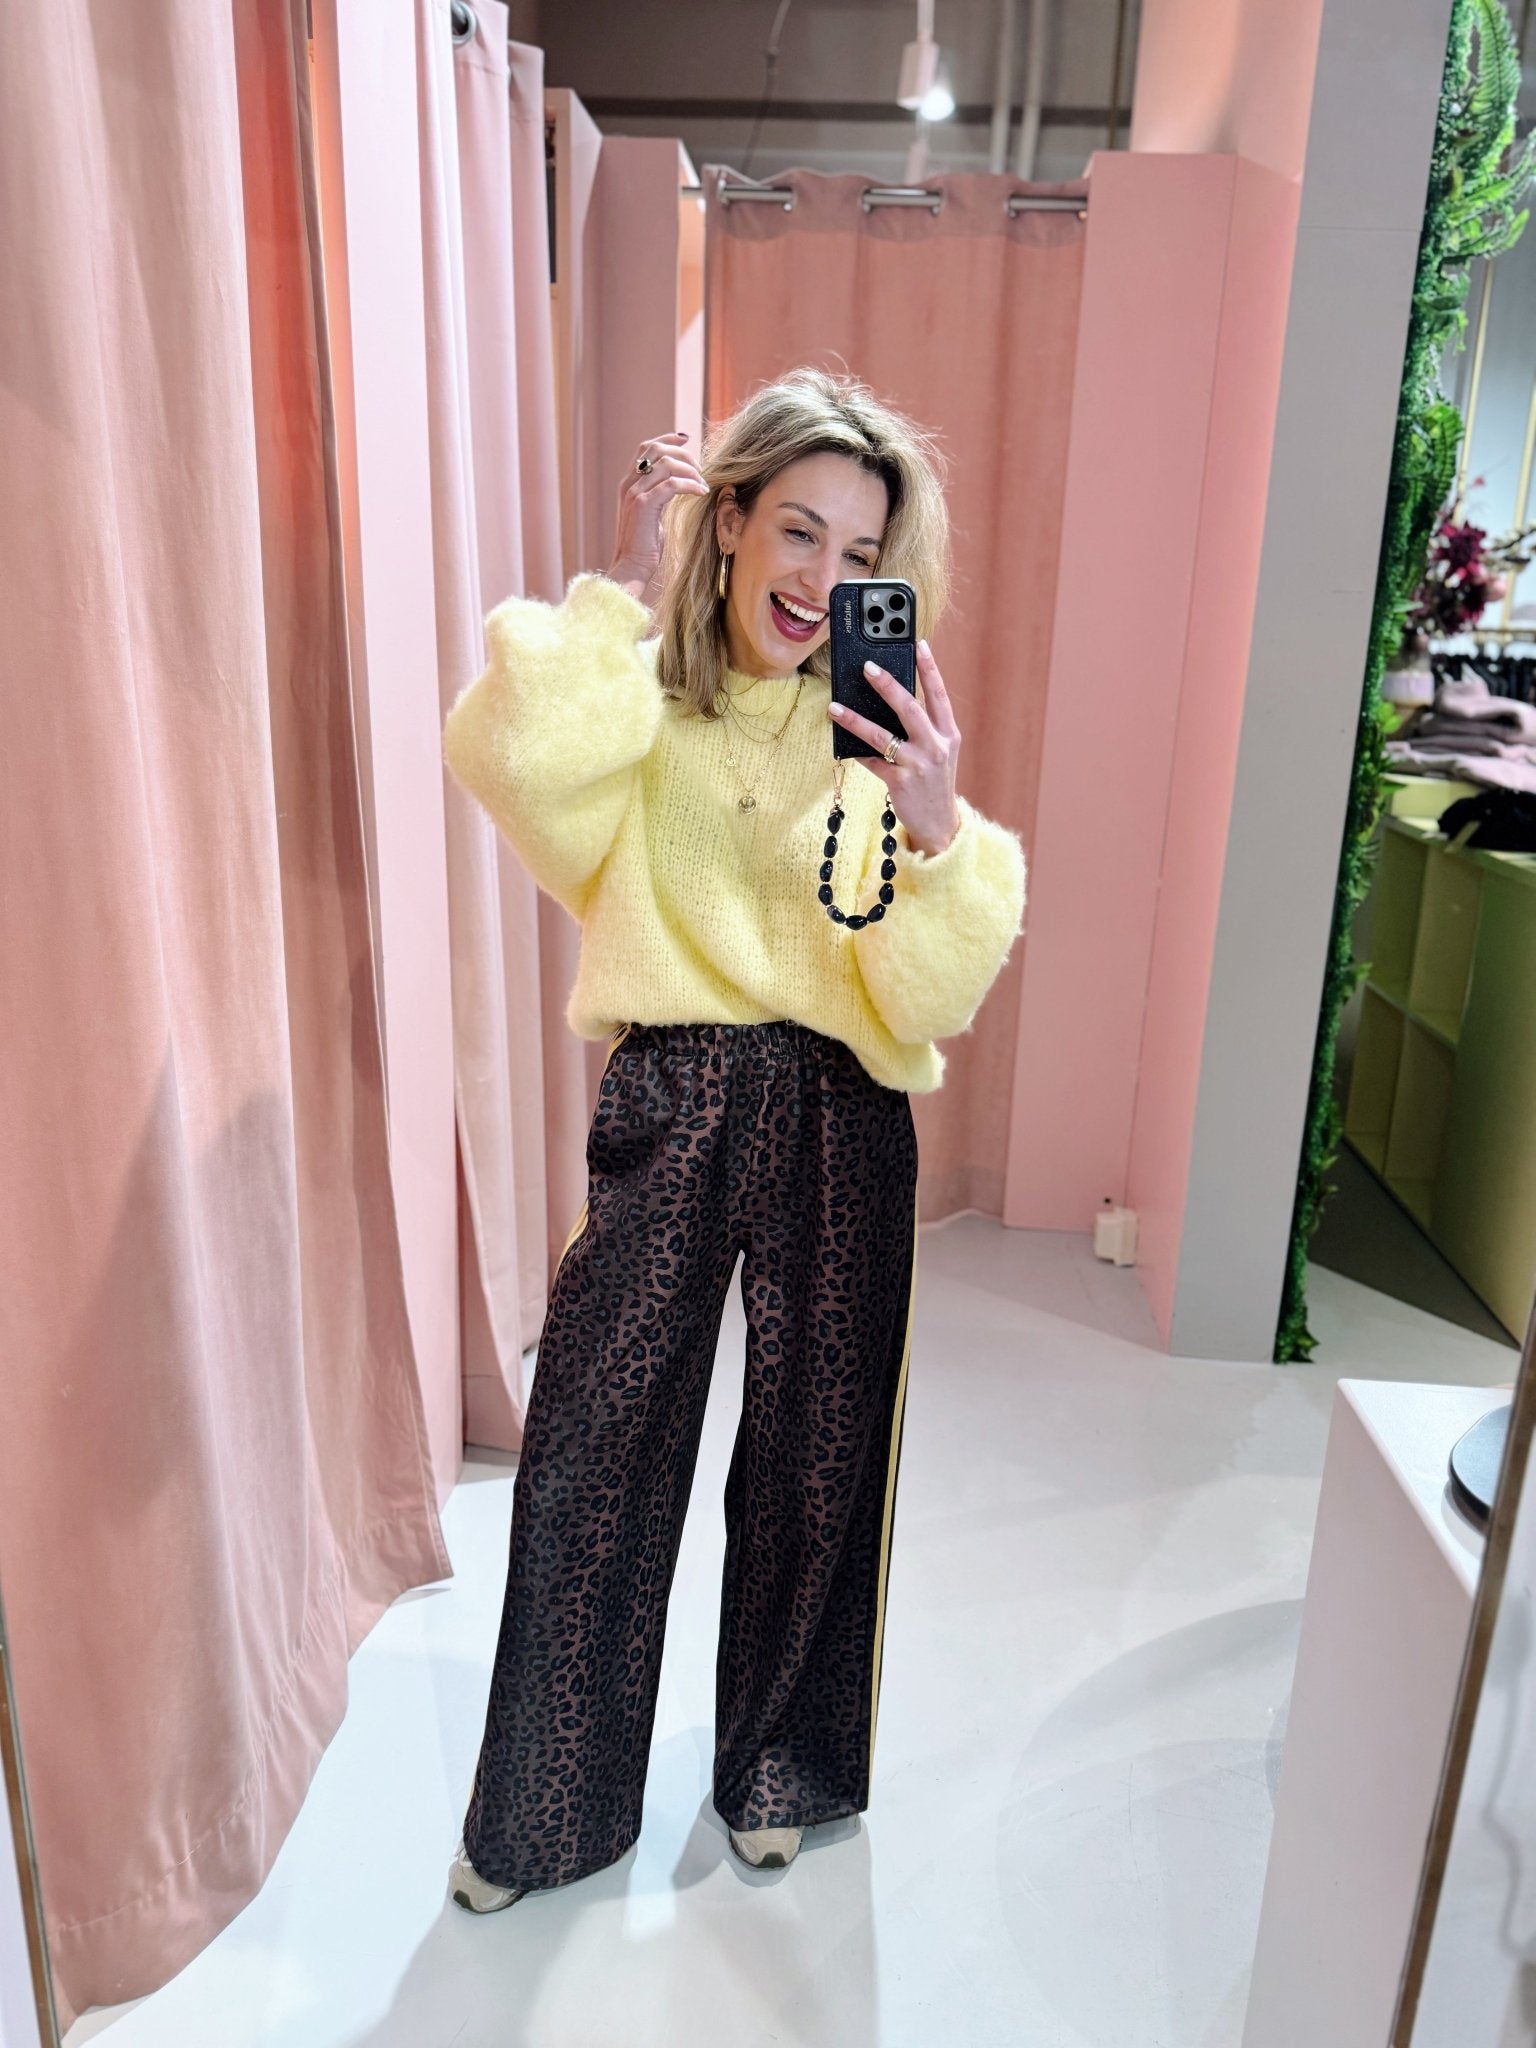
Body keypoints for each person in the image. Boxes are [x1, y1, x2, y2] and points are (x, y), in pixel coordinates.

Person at [440, 367, 1026, 1911]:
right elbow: (512, 768)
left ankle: (784, 1772)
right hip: (675, 1089)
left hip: (845, 1112)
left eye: (861, 554)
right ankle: (545, 1812)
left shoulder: (880, 740)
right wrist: (624, 588)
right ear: (733, 522)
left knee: (818, 1462)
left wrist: (938, 834)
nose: (822, 577)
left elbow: (926, 990)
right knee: (593, 1452)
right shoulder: (646, 702)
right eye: (798, 530)